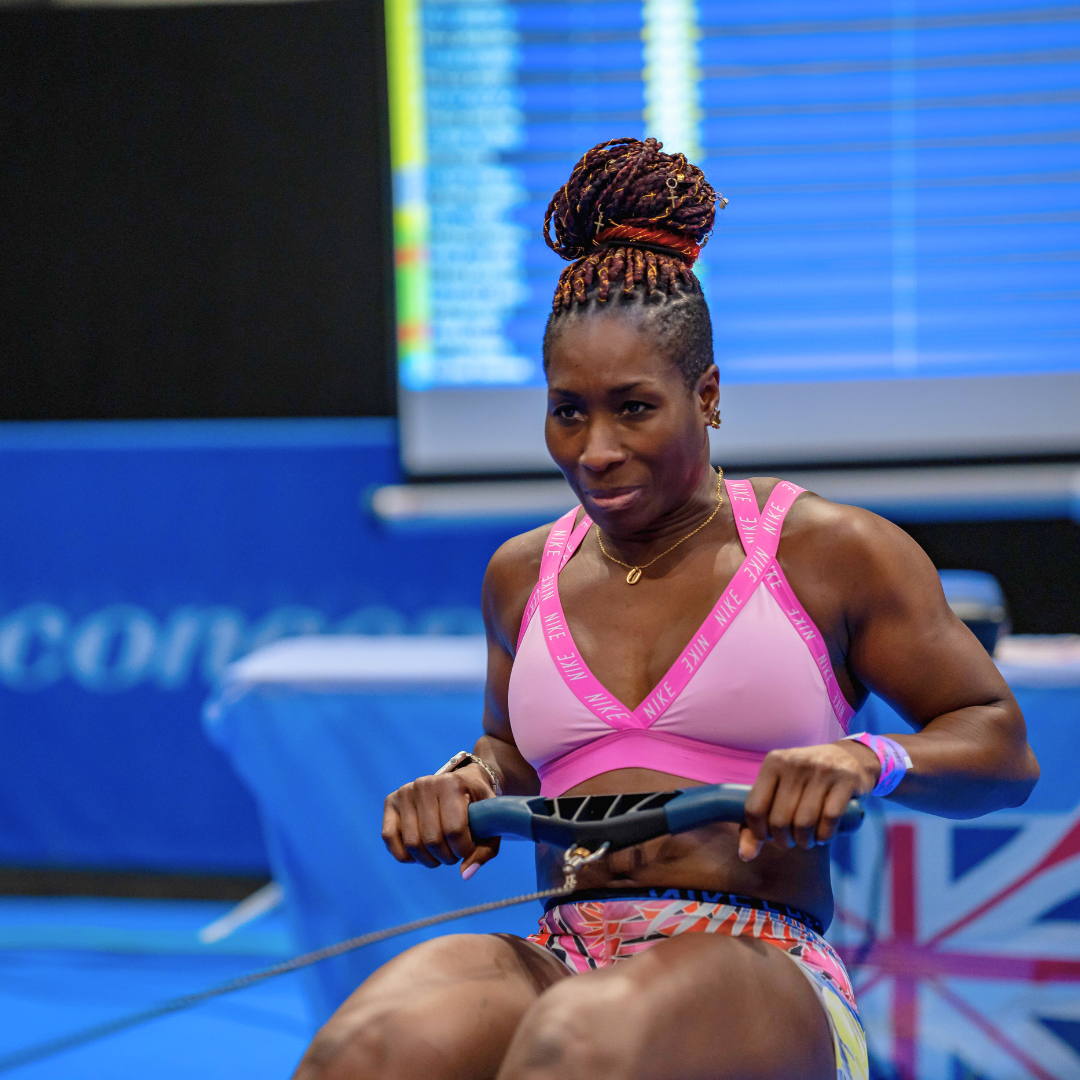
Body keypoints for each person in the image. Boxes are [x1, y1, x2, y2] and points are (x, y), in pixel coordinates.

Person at [294, 137, 1039, 1080]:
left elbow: (1001, 745)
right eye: (568, 410)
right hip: (561, 953)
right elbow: (511, 755)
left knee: (582, 1048)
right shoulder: (520, 575)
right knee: (364, 1055)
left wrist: (866, 757)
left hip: (764, 966)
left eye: (633, 408)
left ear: (708, 395)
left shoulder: (827, 551)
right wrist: (465, 784)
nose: (595, 449)